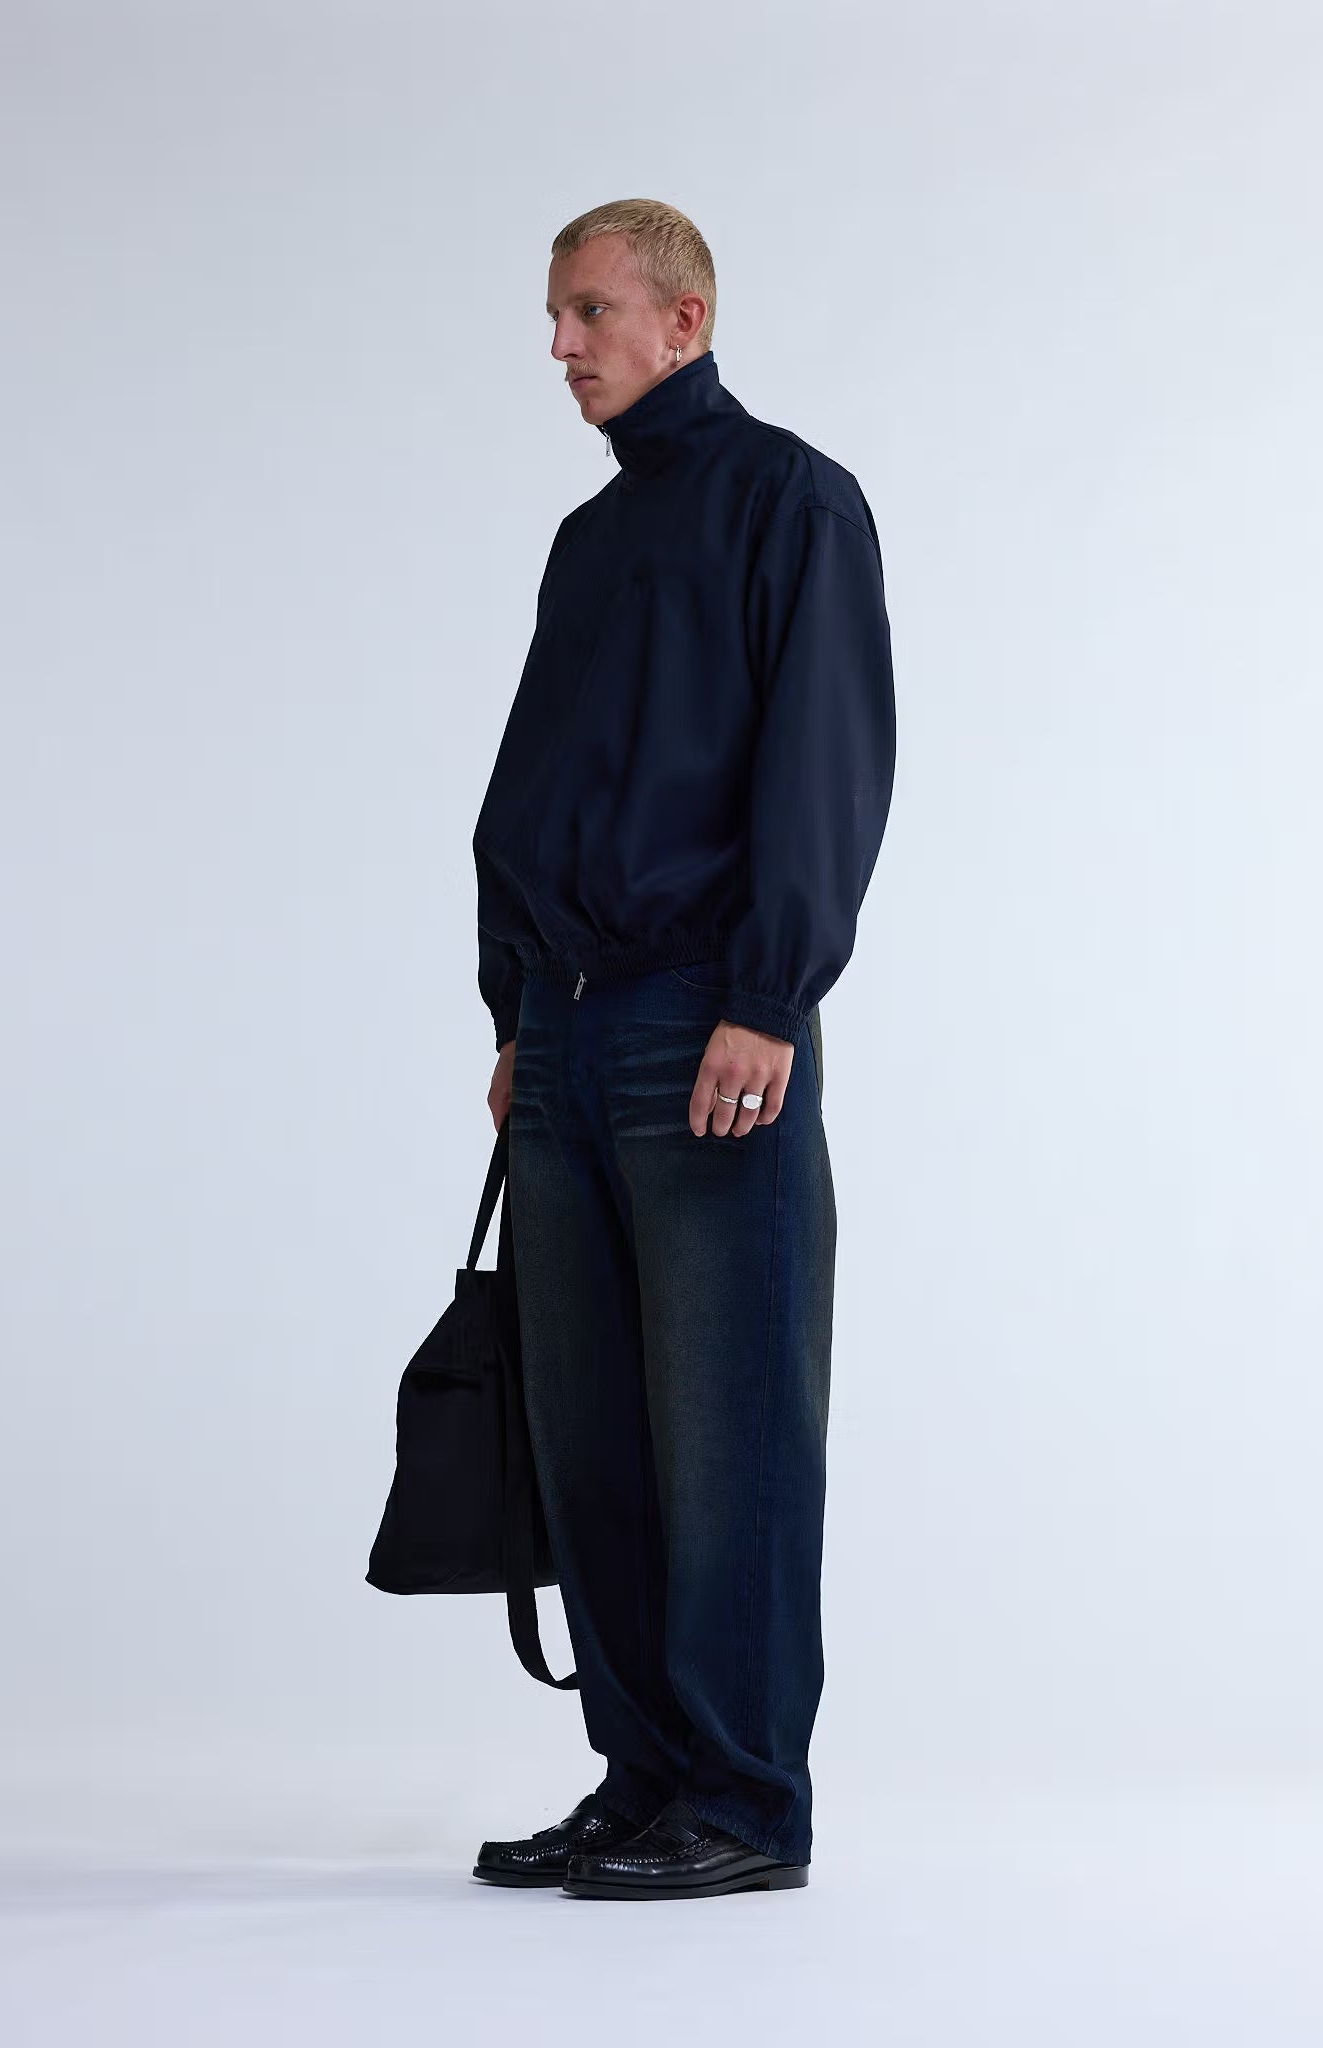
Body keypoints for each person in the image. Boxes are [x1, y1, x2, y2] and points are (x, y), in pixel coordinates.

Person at [468, 198, 896, 1900]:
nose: (561, 345)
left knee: (729, 1434)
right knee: (593, 1439)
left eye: (590, 312)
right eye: (555, 314)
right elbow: (533, 785)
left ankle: (743, 1801)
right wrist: (514, 1005)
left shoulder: (793, 499)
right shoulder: (591, 539)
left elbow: (825, 763)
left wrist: (768, 997)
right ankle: (642, 1779)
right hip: (565, 1035)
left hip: (703, 1023)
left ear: (684, 321)